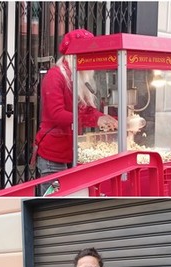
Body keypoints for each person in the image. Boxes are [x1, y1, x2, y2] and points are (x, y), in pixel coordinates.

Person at [33, 29, 118, 193]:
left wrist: (104, 118)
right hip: (54, 157)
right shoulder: (55, 76)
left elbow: (86, 110)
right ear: (74, 56)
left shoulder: (78, 77)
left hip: (72, 153)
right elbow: (56, 115)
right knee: (55, 198)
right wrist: (93, 120)